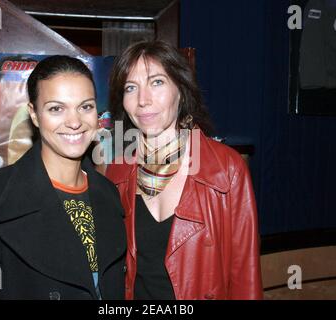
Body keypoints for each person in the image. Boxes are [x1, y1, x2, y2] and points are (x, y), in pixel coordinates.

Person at [0, 56, 126, 300]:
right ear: (34, 115)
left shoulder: (110, 193)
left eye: (85, 106)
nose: (75, 122)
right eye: (56, 108)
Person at [105, 40, 263, 300]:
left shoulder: (227, 170)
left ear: (181, 88)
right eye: (131, 88)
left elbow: (246, 277)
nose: (143, 100)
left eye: (157, 82)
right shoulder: (118, 172)